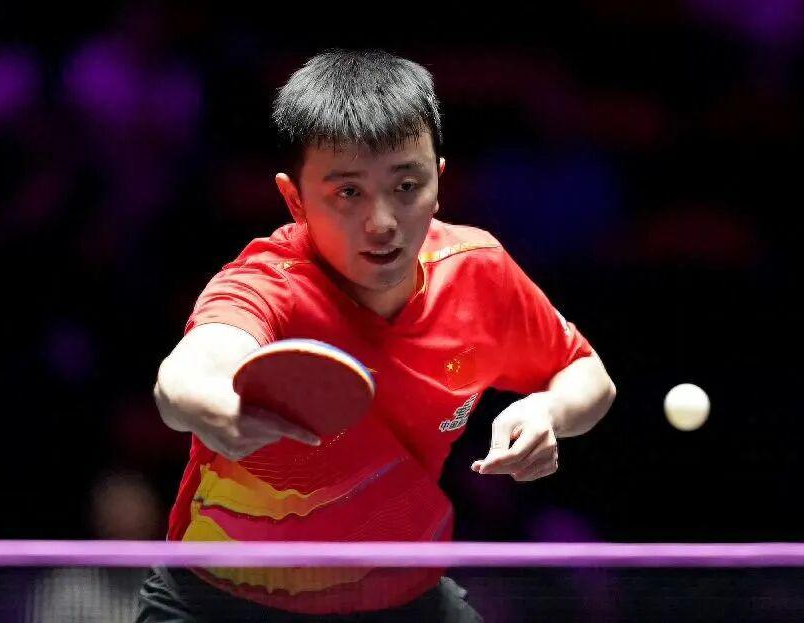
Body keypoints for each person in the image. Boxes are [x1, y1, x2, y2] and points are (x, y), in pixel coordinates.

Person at [139, 49, 616, 622]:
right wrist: (213, 404)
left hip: (399, 596)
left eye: (406, 185)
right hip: (221, 599)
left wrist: (549, 410)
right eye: (348, 193)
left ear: (439, 181)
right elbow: (186, 374)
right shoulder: (269, 283)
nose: (383, 222)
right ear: (295, 200)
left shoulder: (477, 272)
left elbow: (587, 374)